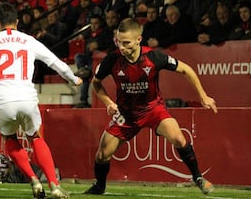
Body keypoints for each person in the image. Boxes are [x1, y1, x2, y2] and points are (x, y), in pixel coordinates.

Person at [84, 18, 217, 196]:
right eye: (119, 42)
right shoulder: (112, 59)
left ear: (138, 39)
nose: (121, 47)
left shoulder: (154, 57)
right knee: (102, 155)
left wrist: (203, 95)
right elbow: (96, 83)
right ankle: (99, 186)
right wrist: (108, 102)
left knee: (178, 137)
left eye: (126, 43)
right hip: (126, 114)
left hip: (153, 109)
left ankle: (198, 178)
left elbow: (186, 69)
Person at [0, 3, 82, 199]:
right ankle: (54, 185)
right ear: (17, 22)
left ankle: (33, 179)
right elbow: (54, 61)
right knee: (35, 138)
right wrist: (73, 78)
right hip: (26, 98)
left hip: (1, 101)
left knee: (11, 139)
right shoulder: (28, 40)